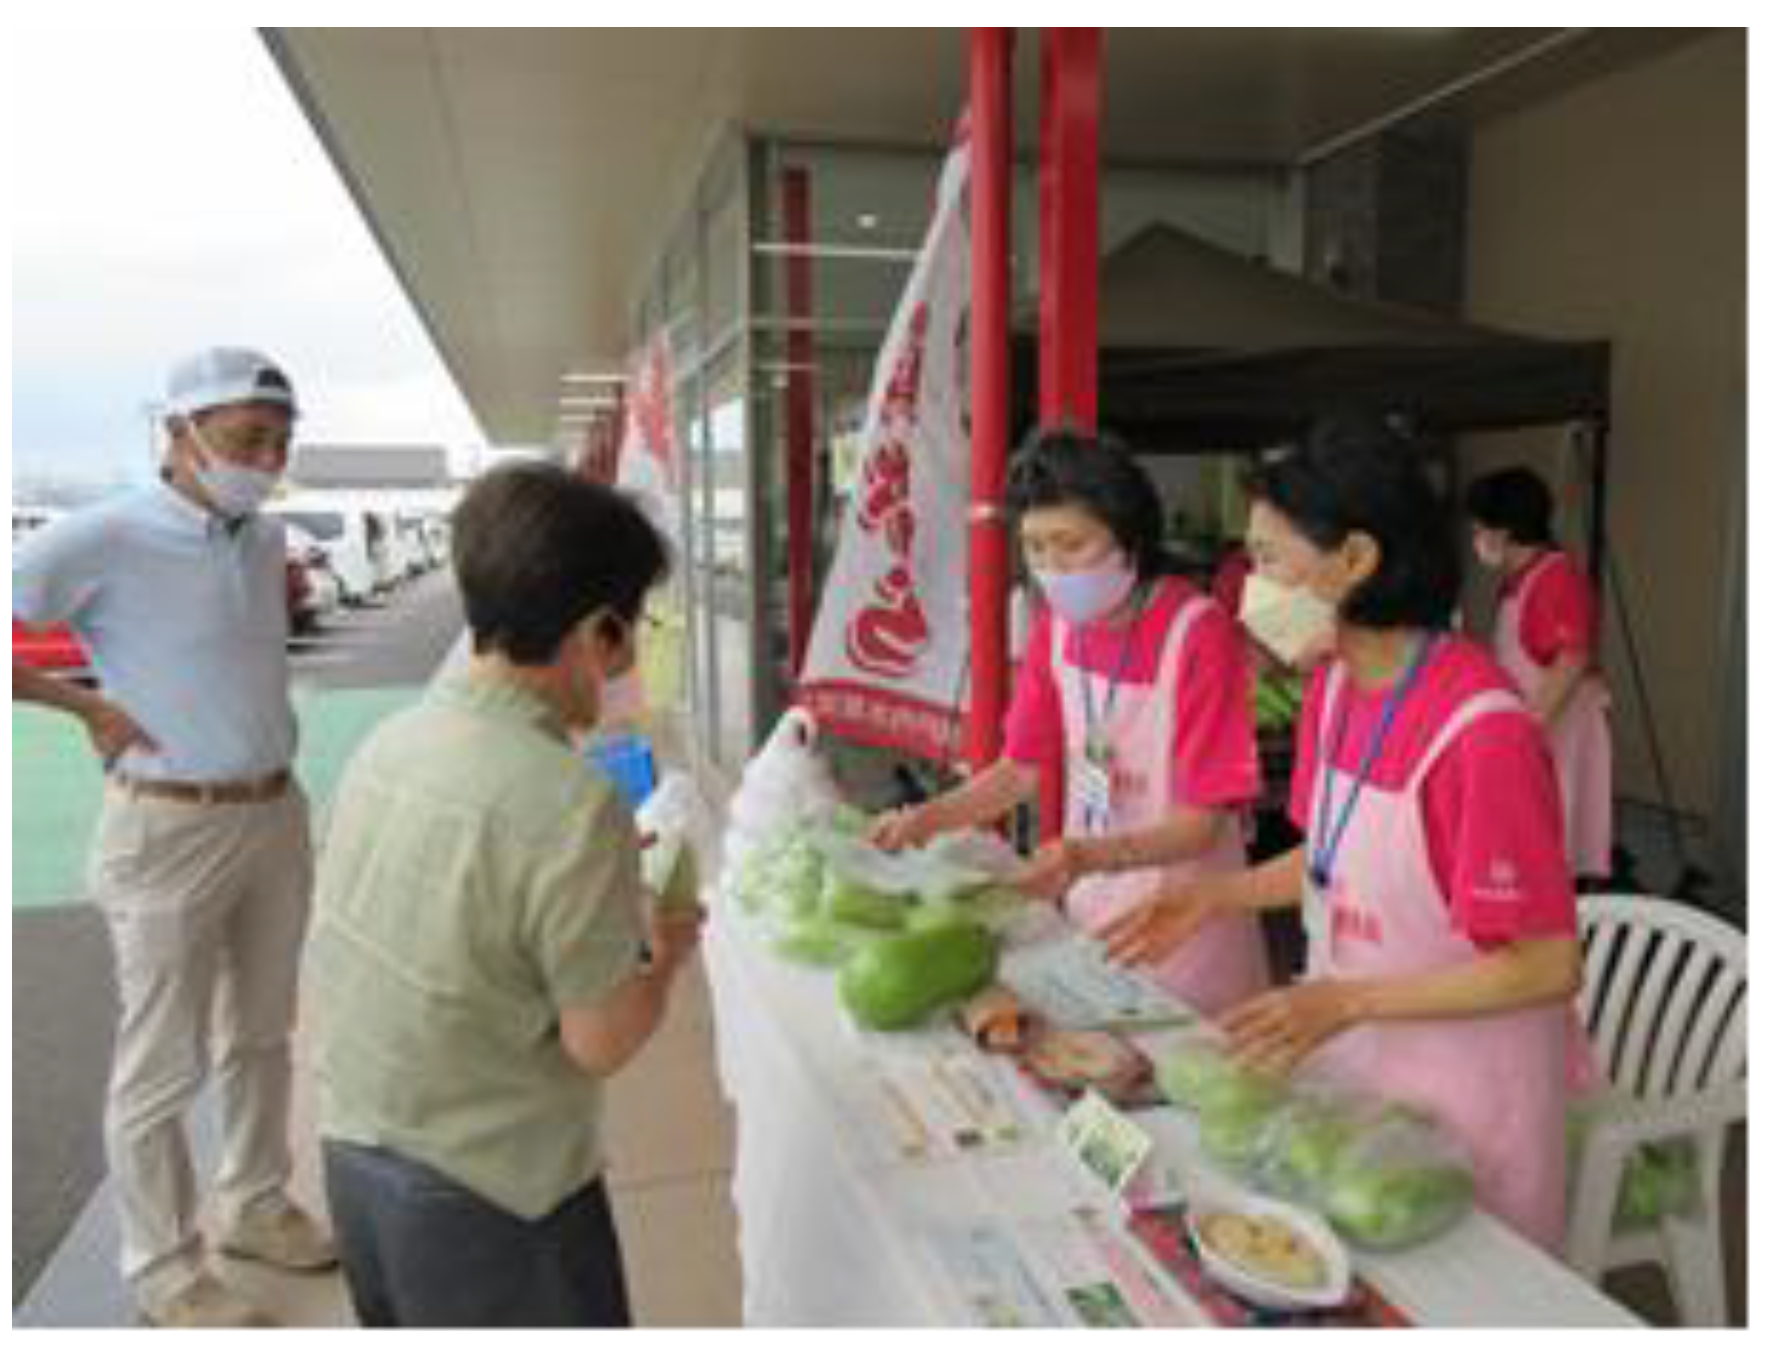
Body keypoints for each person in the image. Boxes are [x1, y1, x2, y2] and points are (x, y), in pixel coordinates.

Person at [1101, 417, 1583, 1253]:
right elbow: (1336, 861)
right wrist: (1215, 893)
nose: (1248, 588)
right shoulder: (1333, 691)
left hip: (1469, 1099)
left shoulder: (1483, 733)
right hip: (1355, 1070)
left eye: (1271, 560)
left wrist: (1349, 999)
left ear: (1356, 560)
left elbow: (1546, 963)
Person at [303, 462, 702, 1327]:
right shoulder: (570, 798)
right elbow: (600, 1041)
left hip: (357, 1158)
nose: (631, 659)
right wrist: (666, 948)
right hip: (495, 1199)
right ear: (598, 631)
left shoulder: (390, 739)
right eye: (635, 627)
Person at [11, 347, 336, 1327]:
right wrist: (86, 708)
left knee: (264, 1033)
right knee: (163, 1060)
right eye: (245, 439)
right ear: (178, 433)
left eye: (279, 440)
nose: (265, 457)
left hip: (274, 811)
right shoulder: (101, 534)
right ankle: (162, 1266)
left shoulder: (261, 535)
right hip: (168, 823)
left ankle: (255, 1202)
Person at [873, 428, 1269, 1016]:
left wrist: (1085, 856)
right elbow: (1017, 772)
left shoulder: (1197, 631)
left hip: (1189, 926)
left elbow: (1200, 826)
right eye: (1034, 548)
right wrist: (925, 820)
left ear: (1129, 539)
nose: (1051, 568)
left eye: (1071, 544)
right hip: (1091, 911)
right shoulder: (1055, 627)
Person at [1465, 466, 1613, 884]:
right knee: (1531, 840)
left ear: (1504, 530)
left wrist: (1527, 731)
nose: (1475, 535)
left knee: (1550, 844)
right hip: (1536, 730)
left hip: (1558, 731)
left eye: (1478, 526)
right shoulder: (1519, 580)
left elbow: (1571, 660)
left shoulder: (1556, 576)